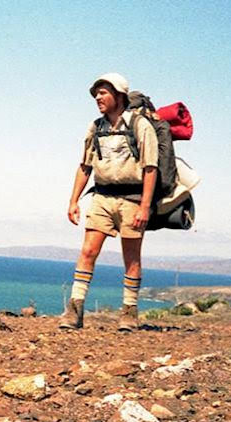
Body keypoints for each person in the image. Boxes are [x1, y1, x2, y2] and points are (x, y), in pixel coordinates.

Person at [58, 73, 158, 331]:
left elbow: (150, 167)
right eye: (96, 94)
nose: (98, 98)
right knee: (88, 251)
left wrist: (145, 206)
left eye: (103, 93)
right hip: (102, 196)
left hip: (132, 198)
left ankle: (129, 312)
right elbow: (84, 166)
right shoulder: (96, 127)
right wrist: (73, 201)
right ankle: (75, 310)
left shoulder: (140, 126)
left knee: (132, 257)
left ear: (119, 95)